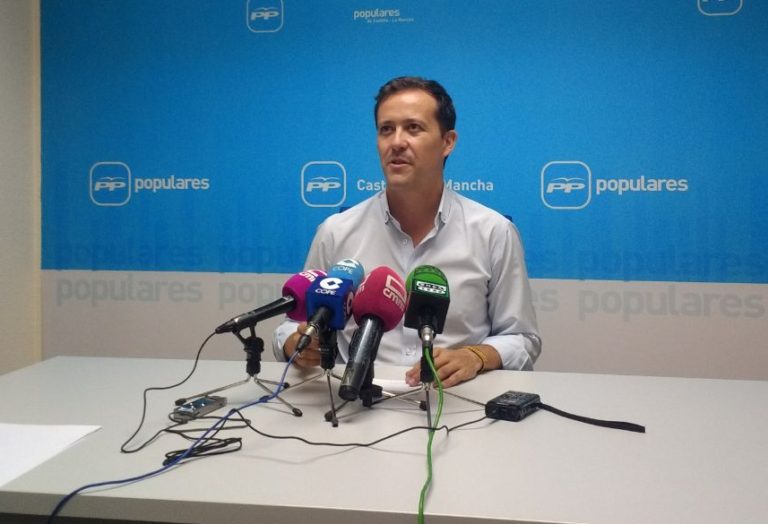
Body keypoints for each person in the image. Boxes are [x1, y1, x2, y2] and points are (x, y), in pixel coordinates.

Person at [273, 76, 540, 388]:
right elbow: (291, 325)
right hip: (352, 403)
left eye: (413, 128)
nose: (396, 142)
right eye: (386, 129)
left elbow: (522, 338)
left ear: (448, 142)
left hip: (454, 403)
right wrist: (296, 344)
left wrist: (476, 356)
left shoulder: (493, 232)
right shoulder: (336, 231)